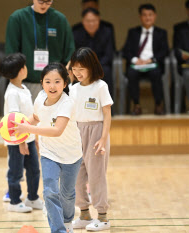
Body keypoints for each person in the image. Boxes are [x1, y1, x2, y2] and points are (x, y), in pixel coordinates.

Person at [11, 63, 83, 233]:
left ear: (65, 84)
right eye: (48, 81)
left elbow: (57, 130)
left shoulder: (67, 103)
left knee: (67, 194)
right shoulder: (39, 98)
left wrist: (28, 129)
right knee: (50, 191)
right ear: (42, 82)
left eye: (57, 81)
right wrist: (21, 124)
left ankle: (66, 222)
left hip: (71, 154)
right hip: (49, 153)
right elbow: (37, 117)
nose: (52, 86)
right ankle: (58, 230)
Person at [69, 47, 113, 231]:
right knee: (76, 176)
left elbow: (107, 114)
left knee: (96, 176)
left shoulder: (101, 86)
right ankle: (85, 214)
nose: (77, 73)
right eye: (74, 68)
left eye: (82, 68)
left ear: (91, 67)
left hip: (96, 132)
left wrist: (103, 139)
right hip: (76, 132)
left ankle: (102, 217)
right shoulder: (72, 88)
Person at [0, 53, 43, 213]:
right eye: (23, 66)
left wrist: (33, 136)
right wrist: (21, 142)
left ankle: (32, 197)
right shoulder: (12, 93)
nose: (26, 68)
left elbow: (27, 116)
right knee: (16, 171)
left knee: (34, 170)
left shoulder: (23, 88)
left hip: (28, 137)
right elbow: (14, 121)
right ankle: (15, 201)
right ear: (18, 71)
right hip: (17, 141)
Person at [5, 0, 75, 101]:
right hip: (26, 82)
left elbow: (70, 52)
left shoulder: (60, 19)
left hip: (54, 84)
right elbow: (11, 53)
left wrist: (65, 78)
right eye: (41, 1)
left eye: (48, 2)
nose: (44, 5)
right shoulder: (17, 18)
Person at [122, 3, 169, 115]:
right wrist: (135, 60)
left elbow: (165, 50)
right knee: (131, 73)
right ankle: (136, 105)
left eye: (150, 15)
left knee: (156, 73)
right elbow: (125, 50)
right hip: (137, 65)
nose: (147, 18)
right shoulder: (133, 32)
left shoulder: (161, 33)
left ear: (155, 16)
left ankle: (158, 105)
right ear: (140, 17)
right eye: (144, 15)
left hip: (152, 64)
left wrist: (151, 60)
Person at [73, 8, 114, 100]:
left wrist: (94, 67)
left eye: (94, 21)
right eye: (88, 21)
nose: (91, 24)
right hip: (81, 65)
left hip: (100, 65)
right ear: (83, 21)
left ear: (98, 20)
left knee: (106, 71)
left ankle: (108, 107)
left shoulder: (107, 32)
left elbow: (109, 55)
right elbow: (74, 55)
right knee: (74, 71)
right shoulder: (76, 33)